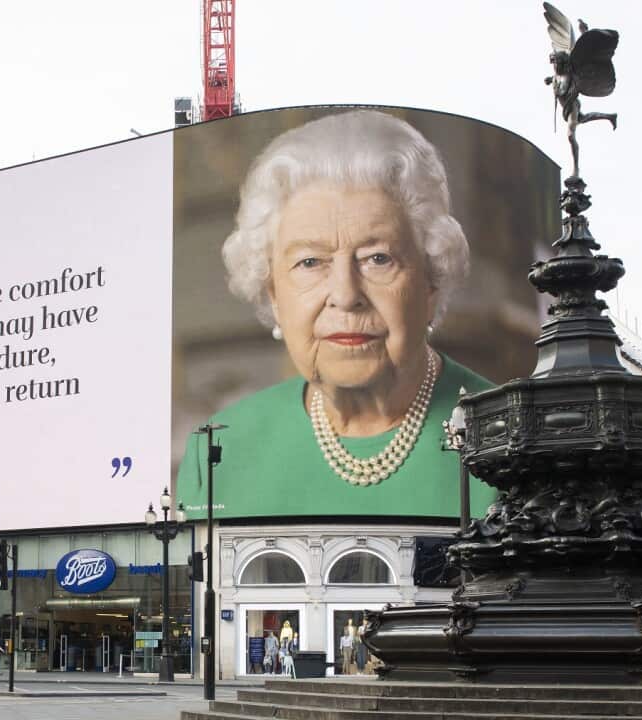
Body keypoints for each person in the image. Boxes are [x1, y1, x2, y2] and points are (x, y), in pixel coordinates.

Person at [176, 109, 495, 519]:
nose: (345, 296)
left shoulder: (511, 439)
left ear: (431, 280)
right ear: (274, 293)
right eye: (310, 262)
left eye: (378, 258)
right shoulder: (218, 449)